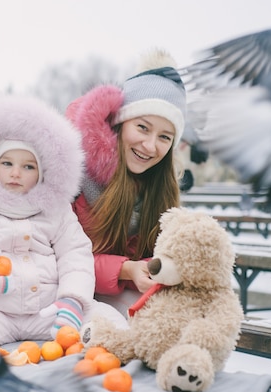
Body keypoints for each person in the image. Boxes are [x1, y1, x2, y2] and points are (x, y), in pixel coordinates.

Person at [0, 95, 127, 349]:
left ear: (42, 172)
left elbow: (75, 254)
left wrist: (72, 300)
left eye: (28, 167)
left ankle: (108, 351)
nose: (15, 173)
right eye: (7, 163)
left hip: (47, 310)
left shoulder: (55, 209)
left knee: (109, 323)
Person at [65, 48, 187, 311]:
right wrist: (125, 269)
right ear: (121, 123)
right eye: (142, 127)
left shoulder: (158, 187)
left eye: (165, 137)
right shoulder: (72, 173)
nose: (150, 146)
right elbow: (53, 259)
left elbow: (150, 261)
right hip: (58, 297)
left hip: (110, 297)